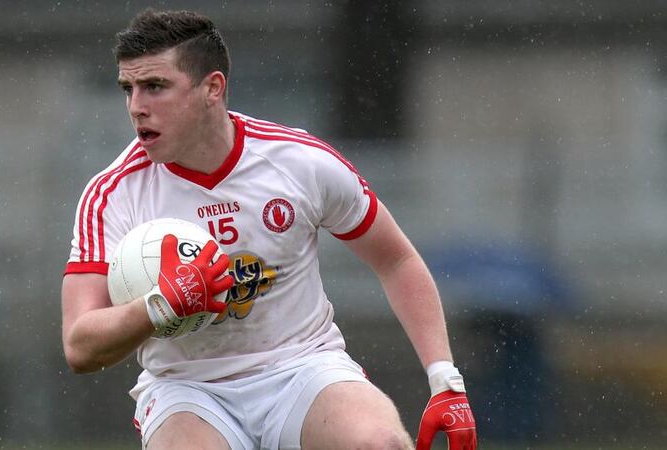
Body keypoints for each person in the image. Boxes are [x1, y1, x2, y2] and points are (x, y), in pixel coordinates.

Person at [61, 9, 477, 450]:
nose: (136, 106)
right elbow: (80, 345)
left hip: (301, 368)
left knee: (379, 445)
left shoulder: (300, 162)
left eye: (155, 87)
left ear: (212, 88)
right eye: (128, 88)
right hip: (187, 389)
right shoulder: (112, 194)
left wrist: (445, 379)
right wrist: (159, 307)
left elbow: (396, 259)